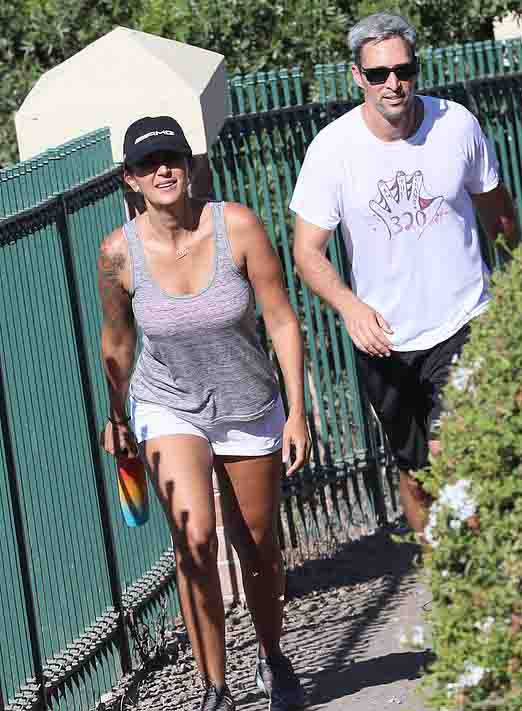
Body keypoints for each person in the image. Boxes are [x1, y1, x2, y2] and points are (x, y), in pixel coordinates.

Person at [98, 115, 310, 711]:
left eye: (171, 158)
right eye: (147, 164)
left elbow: (281, 318)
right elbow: (117, 341)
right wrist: (116, 413)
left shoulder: (237, 227)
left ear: (190, 166)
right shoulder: (118, 254)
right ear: (130, 180)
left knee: (259, 543)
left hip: (248, 403)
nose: (162, 170)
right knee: (193, 541)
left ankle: (274, 658)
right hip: (169, 405)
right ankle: (214, 688)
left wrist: (297, 412)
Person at [291, 12, 519, 543]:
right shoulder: (333, 150)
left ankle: (481, 574)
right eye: (377, 74)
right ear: (357, 77)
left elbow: (497, 210)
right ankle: (441, 580)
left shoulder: (456, 125)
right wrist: (350, 307)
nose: (392, 83)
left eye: (403, 69)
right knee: (417, 477)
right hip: (386, 340)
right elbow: (308, 252)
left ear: (416, 67)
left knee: (454, 453)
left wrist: (516, 274)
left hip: (464, 320)